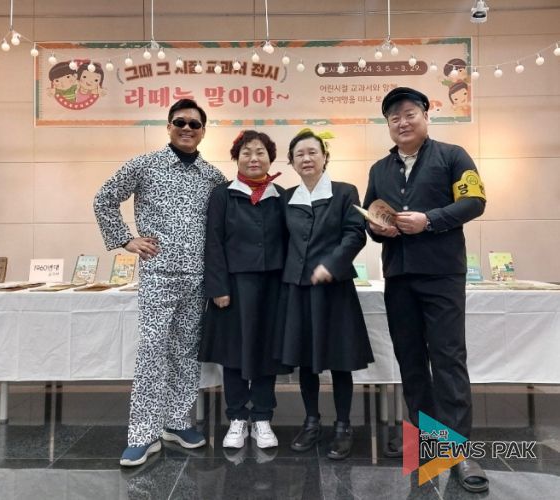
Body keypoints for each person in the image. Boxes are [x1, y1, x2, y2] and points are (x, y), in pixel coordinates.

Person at [362, 87, 489, 493]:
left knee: (448, 358)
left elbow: (475, 201)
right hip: (398, 276)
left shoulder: (453, 156)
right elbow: (370, 215)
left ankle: (460, 450)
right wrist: (376, 229)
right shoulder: (379, 169)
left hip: (442, 275)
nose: (402, 122)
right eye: (394, 117)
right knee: (411, 360)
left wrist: (429, 220)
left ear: (425, 116)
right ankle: (429, 440)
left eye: (409, 114)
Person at [93, 99, 227, 467]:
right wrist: (126, 240)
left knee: (185, 351)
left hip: (197, 278)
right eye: (180, 122)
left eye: (194, 124)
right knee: (152, 351)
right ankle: (142, 433)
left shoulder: (213, 177)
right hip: (159, 276)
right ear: (168, 127)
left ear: (203, 131)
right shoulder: (145, 165)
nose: (187, 128)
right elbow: (104, 199)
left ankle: (177, 422)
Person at [275, 128, 374, 460]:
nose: (306, 158)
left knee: (339, 360)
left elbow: (355, 234)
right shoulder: (286, 198)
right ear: (292, 162)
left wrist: (332, 264)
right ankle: (312, 422)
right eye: (299, 154)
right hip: (298, 290)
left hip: (334, 290)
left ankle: (343, 426)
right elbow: (281, 242)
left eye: (312, 152)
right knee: (306, 360)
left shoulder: (345, 192)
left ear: (324, 157)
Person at [198, 130, 286, 450]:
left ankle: (262, 417)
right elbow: (213, 242)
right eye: (246, 152)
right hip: (233, 288)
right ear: (237, 158)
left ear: (270, 158)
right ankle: (236, 417)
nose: (253, 158)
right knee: (233, 354)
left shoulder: (280, 195)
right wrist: (218, 287)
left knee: (266, 354)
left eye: (260, 152)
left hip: (272, 288)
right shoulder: (222, 194)